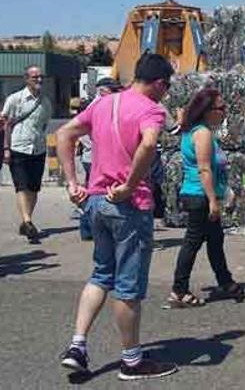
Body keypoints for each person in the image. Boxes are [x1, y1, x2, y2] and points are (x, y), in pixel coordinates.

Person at [55, 53, 179, 381]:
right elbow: (150, 144)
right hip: (128, 205)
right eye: (165, 87)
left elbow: (65, 135)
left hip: (95, 202)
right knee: (128, 286)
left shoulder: (104, 103)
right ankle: (132, 360)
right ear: (159, 83)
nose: (164, 95)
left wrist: (72, 183)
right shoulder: (150, 109)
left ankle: (77, 345)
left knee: (100, 275)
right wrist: (130, 185)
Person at [169, 88, 245, 307]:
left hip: (197, 193)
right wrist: (213, 200)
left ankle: (225, 281)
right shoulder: (202, 133)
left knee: (215, 241)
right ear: (207, 110)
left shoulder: (191, 130)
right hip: (200, 196)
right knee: (192, 242)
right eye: (221, 108)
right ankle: (179, 290)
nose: (224, 112)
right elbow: (204, 169)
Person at [2, 65, 52, 244]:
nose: (39, 80)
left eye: (40, 77)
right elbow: (5, 124)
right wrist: (6, 148)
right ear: (26, 79)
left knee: (33, 187)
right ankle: (28, 222)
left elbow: (45, 125)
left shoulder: (45, 102)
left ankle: (26, 220)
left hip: (38, 149)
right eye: (34, 77)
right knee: (22, 186)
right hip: (18, 148)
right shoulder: (15, 99)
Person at [78, 78, 123, 241]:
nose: (119, 94)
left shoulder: (99, 105)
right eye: (115, 90)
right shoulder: (97, 106)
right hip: (94, 156)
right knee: (95, 193)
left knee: (92, 192)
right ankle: (89, 228)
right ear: (104, 91)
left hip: (93, 155)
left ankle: (88, 229)